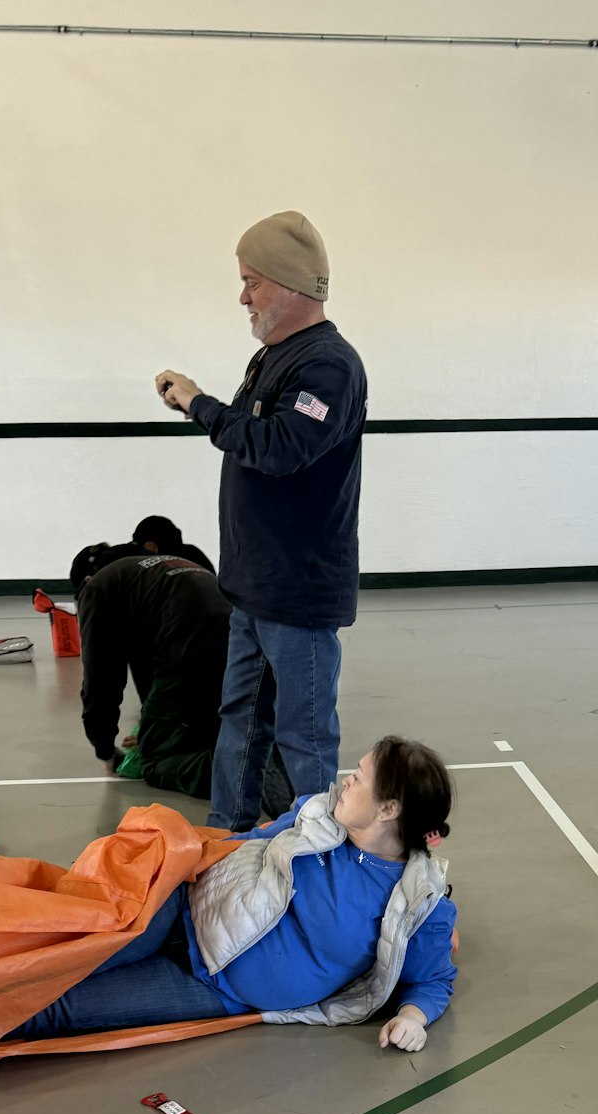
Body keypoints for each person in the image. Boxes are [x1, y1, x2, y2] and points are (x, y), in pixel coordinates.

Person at [7, 737, 455, 1055]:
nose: (346, 781)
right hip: (181, 909)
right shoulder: (317, 814)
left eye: (358, 777)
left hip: (212, 987)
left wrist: (413, 1018)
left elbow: (432, 980)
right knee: (65, 957)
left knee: (57, 1009)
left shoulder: (421, 903)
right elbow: (237, 844)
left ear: (389, 809)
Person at [154, 211, 367, 832]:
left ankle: (317, 851)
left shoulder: (328, 366)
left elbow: (279, 447)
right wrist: (201, 407)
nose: (243, 297)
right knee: (241, 719)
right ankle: (228, 837)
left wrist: (198, 403)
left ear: (293, 284)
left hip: (297, 592)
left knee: (304, 735)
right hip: (254, 587)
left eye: (253, 282)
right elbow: (256, 435)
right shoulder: (274, 357)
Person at [69, 540, 289, 812]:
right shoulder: (160, 569)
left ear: (86, 581)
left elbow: (101, 678)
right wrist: (152, 729)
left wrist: (104, 749)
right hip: (244, 650)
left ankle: (244, 771)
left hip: (189, 654)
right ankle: (271, 753)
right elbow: (146, 672)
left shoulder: (98, 586)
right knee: (205, 736)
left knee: (155, 763)